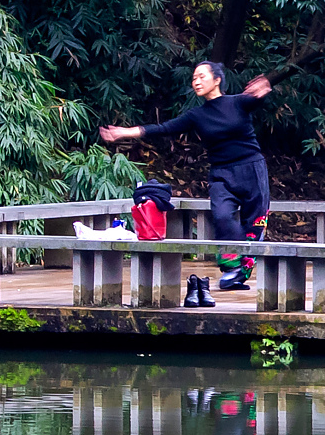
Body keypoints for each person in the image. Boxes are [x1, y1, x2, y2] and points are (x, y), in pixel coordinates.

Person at [100, 61, 274, 291]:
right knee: (222, 216)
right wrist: (125, 132)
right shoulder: (197, 115)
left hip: (251, 169)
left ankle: (240, 272)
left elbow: (258, 98)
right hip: (221, 174)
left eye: (202, 76)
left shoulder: (238, 102)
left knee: (254, 223)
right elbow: (163, 128)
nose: (196, 82)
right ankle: (232, 267)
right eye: (194, 78)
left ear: (217, 80)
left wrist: (264, 89)